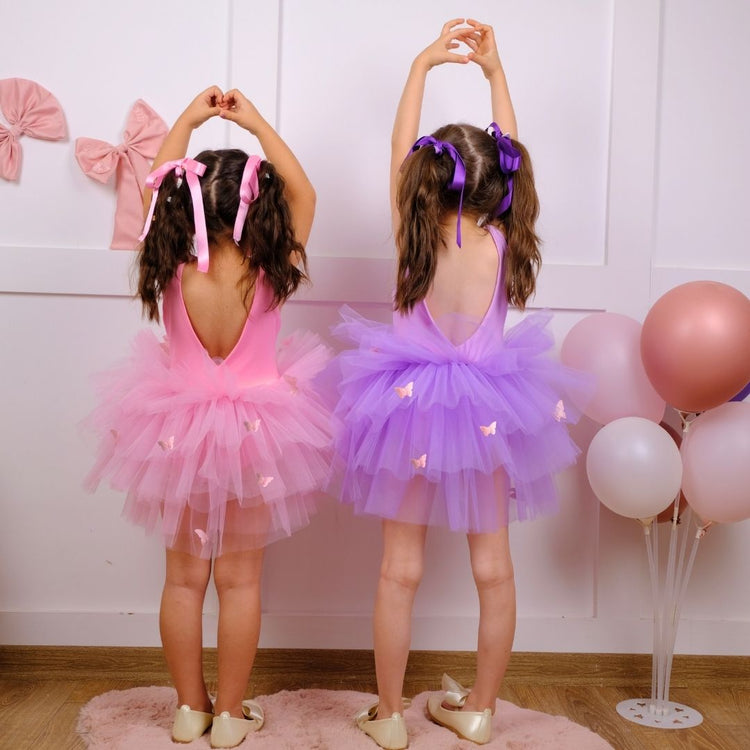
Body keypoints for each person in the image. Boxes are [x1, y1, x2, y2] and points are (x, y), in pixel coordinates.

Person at [329, 20, 592, 748]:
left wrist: (421, 65)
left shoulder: (410, 232)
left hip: (407, 406)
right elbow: (515, 146)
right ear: (504, 185)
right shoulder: (507, 237)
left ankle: (386, 717)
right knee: (495, 571)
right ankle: (478, 707)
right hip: (487, 408)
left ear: (422, 179)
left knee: (398, 569)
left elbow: (396, 145)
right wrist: (494, 71)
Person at [84, 87, 334, 748]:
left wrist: (190, 120)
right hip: (259, 432)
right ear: (262, 207)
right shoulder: (271, 266)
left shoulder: (170, 263)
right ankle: (228, 716)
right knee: (240, 580)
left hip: (175, 430)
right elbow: (306, 192)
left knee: (183, 579)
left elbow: (149, 187)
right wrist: (252, 122)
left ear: (181, 202)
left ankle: (188, 708)